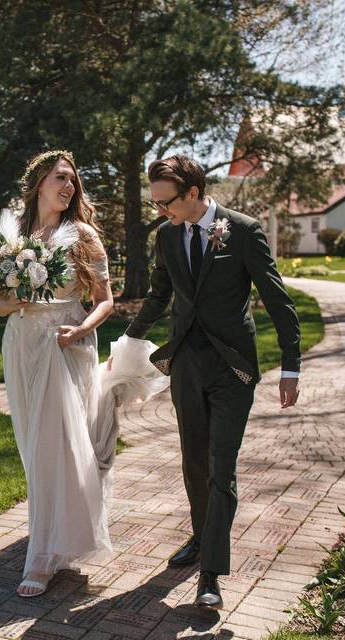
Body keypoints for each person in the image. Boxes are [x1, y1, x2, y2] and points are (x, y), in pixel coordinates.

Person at [119, 155, 301, 610]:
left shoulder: (242, 230)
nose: (161, 212)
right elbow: (161, 294)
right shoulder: (166, 236)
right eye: (156, 204)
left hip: (232, 367)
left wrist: (292, 365)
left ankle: (211, 573)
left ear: (194, 193)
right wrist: (127, 342)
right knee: (194, 462)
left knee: (222, 467)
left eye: (166, 203)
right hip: (186, 365)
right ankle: (201, 537)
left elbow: (277, 300)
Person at [0, 150, 117, 598]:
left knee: (53, 447)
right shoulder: (16, 237)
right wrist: (17, 297)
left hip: (67, 343)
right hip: (22, 344)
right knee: (33, 445)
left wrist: (81, 326)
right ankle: (56, 535)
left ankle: (41, 558)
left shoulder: (83, 234)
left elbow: (105, 300)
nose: (69, 186)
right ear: (38, 182)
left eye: (73, 180)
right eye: (60, 178)